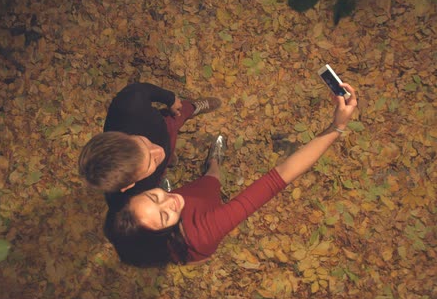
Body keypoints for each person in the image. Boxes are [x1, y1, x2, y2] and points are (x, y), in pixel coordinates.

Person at [104, 84, 358, 267]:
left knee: (206, 181)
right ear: (163, 235)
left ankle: (213, 163)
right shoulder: (205, 230)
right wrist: (337, 127)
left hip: (170, 223)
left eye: (154, 196)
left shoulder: (123, 211)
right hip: (196, 222)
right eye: (163, 215)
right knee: (211, 185)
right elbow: (278, 177)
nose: (169, 200)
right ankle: (214, 163)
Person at [78, 82, 221, 194]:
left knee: (179, 114)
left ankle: (193, 107)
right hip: (158, 161)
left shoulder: (129, 106)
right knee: (163, 162)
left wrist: (169, 99)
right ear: (129, 185)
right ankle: (168, 160)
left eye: (142, 142)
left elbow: (141, 90)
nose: (159, 151)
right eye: (149, 163)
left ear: (121, 136)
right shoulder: (138, 192)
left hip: (164, 125)